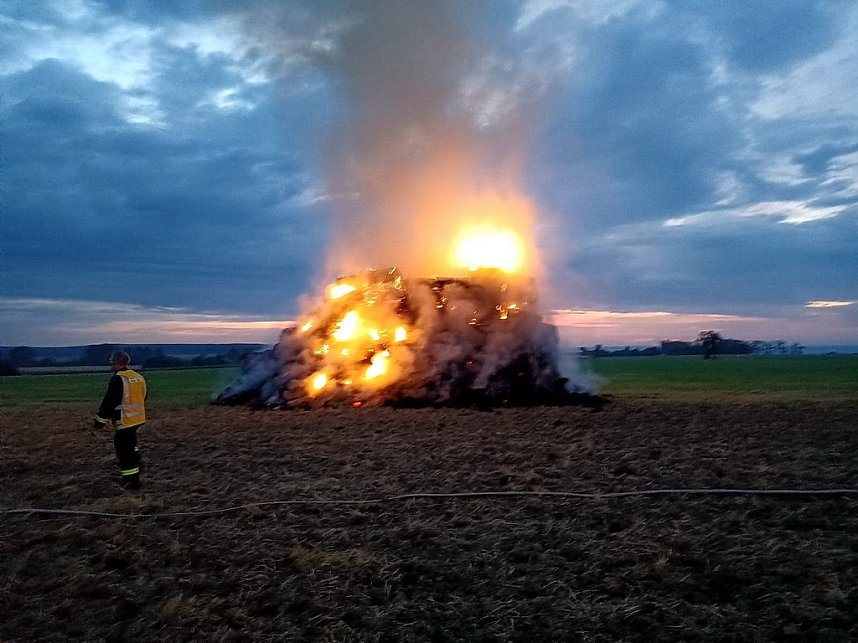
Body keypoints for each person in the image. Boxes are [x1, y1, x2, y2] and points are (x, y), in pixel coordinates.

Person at [94, 351, 147, 490]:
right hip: (137, 419)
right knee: (131, 445)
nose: (110, 363)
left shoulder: (118, 378)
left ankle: (131, 482)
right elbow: (144, 396)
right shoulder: (138, 376)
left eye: (111, 360)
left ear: (118, 361)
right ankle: (137, 462)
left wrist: (100, 421)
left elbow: (109, 401)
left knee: (124, 452)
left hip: (125, 420)